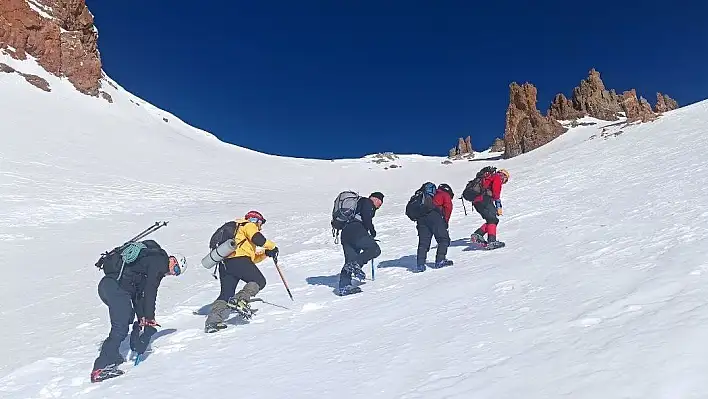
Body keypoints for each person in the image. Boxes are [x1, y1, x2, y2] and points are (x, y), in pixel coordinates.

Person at [91, 240, 186, 383]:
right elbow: (150, 291)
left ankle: (113, 354)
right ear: (172, 260)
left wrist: (142, 317)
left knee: (127, 317)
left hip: (110, 287)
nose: (172, 273)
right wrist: (149, 318)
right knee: (120, 327)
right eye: (176, 269)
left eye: (176, 273)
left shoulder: (147, 267)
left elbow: (138, 295)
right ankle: (100, 368)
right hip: (114, 287)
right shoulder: (160, 262)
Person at [204, 210, 278, 333]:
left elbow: (252, 259)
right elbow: (258, 239)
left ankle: (213, 321)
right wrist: (272, 247)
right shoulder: (248, 225)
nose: (260, 227)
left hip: (225, 263)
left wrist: (266, 253)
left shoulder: (238, 232)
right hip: (239, 261)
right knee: (259, 281)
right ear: (256, 220)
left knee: (226, 294)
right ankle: (240, 300)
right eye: (261, 223)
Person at [337, 192, 384, 296]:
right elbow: (367, 218)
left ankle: (344, 287)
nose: (379, 206)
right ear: (375, 199)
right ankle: (356, 264)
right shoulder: (367, 202)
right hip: (356, 230)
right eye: (380, 203)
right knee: (375, 249)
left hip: (345, 233)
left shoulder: (358, 205)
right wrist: (372, 232)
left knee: (349, 261)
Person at [414, 183, 454, 272]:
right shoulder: (444, 194)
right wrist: (445, 222)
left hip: (421, 218)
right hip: (434, 217)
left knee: (423, 242)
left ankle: (420, 264)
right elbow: (448, 208)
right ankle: (440, 260)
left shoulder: (426, 195)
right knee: (443, 239)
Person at [471, 169, 510, 248]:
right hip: (485, 200)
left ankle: (478, 235)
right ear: (504, 176)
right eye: (506, 180)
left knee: (491, 219)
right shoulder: (497, 177)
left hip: (476, 202)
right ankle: (491, 241)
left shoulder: (488, 177)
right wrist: (498, 205)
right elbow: (496, 192)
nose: (504, 182)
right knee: (493, 220)